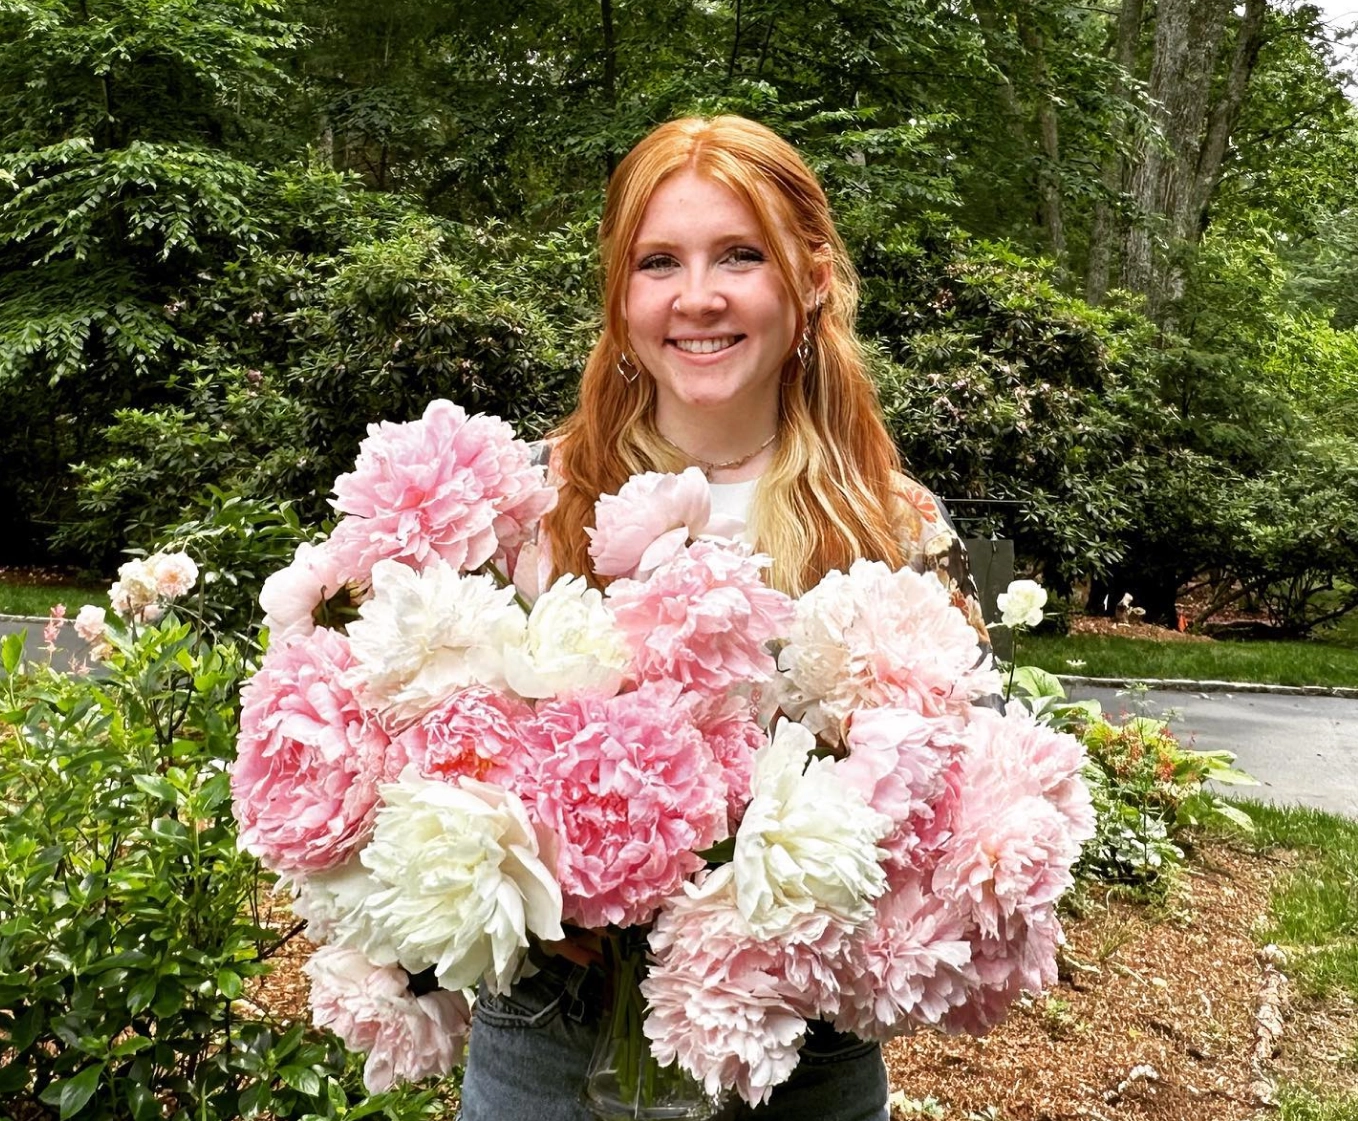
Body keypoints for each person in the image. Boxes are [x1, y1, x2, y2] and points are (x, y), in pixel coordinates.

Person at [457, 114, 988, 1121]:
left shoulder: (895, 528)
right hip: (551, 1039)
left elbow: (953, 811)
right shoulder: (523, 506)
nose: (696, 297)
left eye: (738, 255)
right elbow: (425, 756)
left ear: (808, 278)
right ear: (620, 295)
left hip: (804, 1053)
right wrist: (518, 882)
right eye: (659, 261)